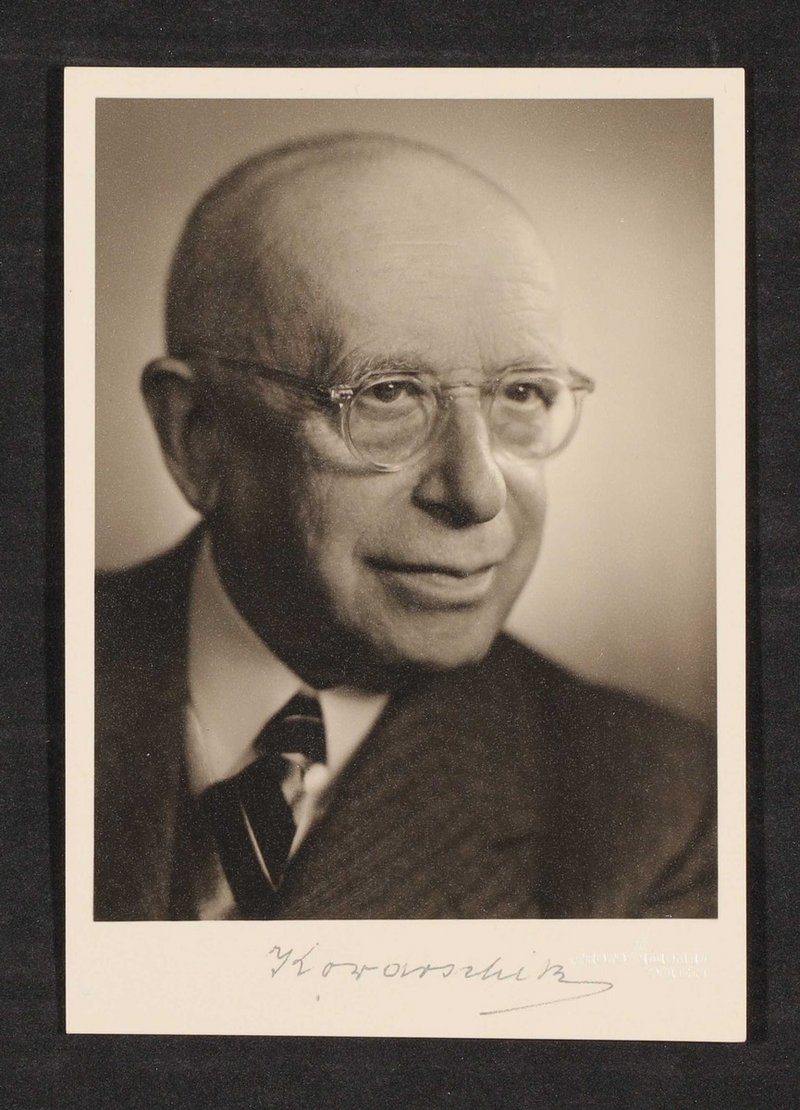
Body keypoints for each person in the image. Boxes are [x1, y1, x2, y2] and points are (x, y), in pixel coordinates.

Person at [95, 132, 716, 921]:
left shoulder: (661, 811)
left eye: (521, 393)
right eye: (386, 393)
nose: (477, 492)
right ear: (198, 436)